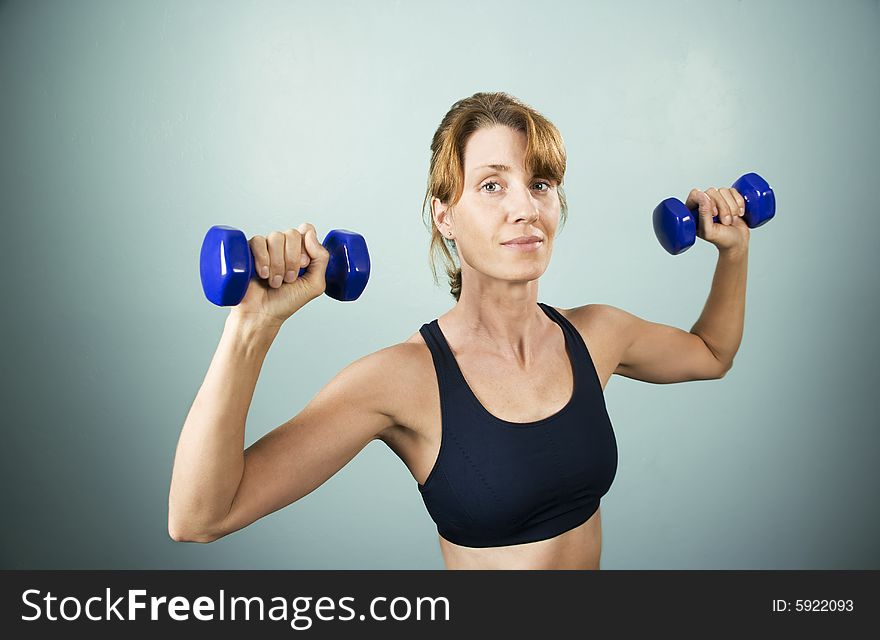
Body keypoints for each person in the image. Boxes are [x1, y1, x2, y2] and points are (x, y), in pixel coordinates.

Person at [168, 92, 750, 570]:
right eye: (492, 184)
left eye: (540, 183)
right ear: (444, 214)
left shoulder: (597, 336)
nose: (525, 207)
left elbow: (711, 353)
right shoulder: (401, 379)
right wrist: (253, 326)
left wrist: (734, 252)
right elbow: (201, 516)